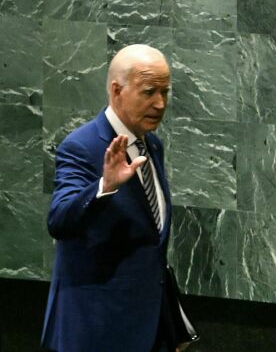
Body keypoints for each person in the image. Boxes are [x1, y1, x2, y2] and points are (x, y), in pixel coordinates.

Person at [41, 44, 184, 352]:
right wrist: (105, 185)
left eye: (165, 92)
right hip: (98, 329)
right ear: (117, 90)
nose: (160, 104)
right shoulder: (81, 146)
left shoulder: (152, 145)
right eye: (149, 92)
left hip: (147, 327)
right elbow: (60, 221)